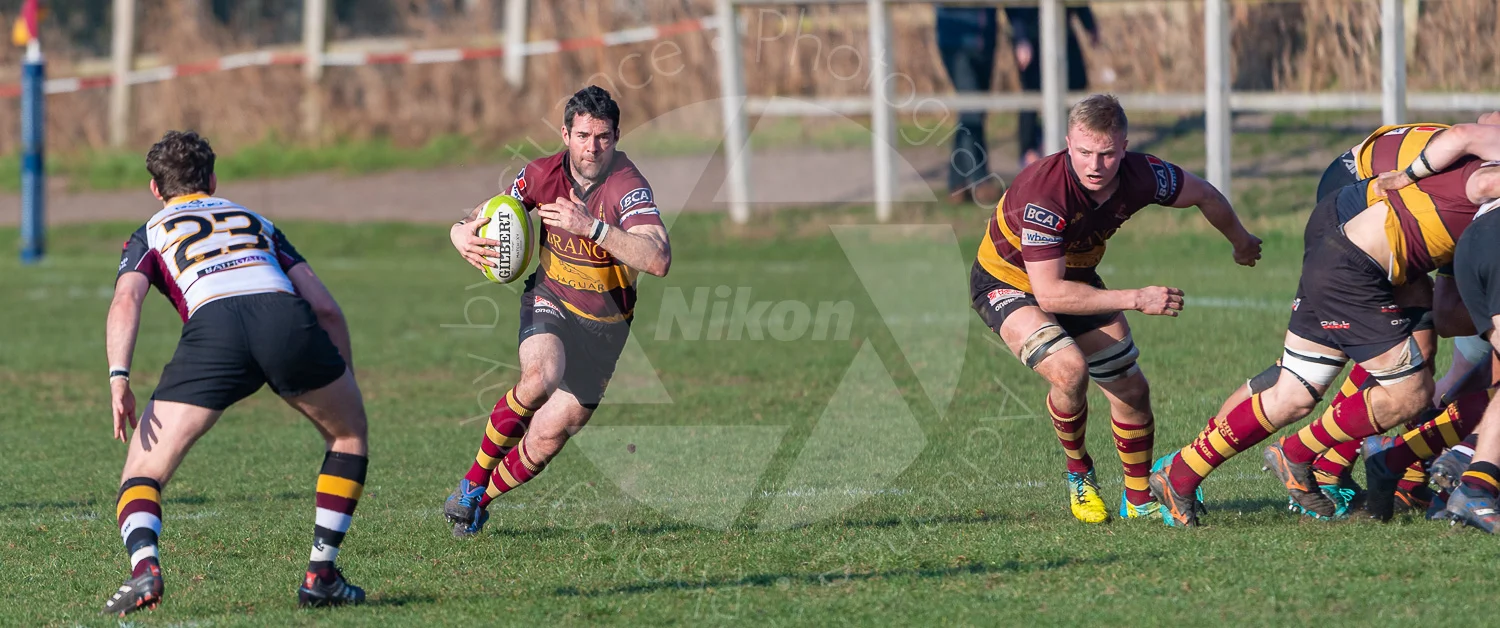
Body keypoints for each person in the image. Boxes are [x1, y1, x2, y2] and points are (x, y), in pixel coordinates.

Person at [1151, 123, 1500, 526]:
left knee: (1294, 392)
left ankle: (1179, 475)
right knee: (1410, 392)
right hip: (1353, 254)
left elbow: (1450, 315)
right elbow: (1479, 168)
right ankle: (1304, 455)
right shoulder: (1481, 174)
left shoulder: (1472, 170)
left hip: (1350, 254)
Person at [101, 131, 369, 615]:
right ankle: (321, 574)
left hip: (215, 331)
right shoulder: (255, 220)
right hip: (285, 319)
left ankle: (145, 568)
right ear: (213, 179)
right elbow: (325, 307)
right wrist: (341, 375)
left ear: (156, 191)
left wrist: (119, 376)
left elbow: (126, 299)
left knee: (142, 471)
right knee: (347, 436)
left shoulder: (152, 230)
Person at [969, 93, 1261, 523]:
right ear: (1068, 142)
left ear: (1123, 148)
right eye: (1084, 152)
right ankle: (1079, 474)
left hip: (1076, 280)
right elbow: (1048, 295)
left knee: (1131, 389)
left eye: (1106, 154)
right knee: (1070, 370)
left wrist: (1241, 240)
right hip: (1007, 282)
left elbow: (1204, 193)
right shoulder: (1044, 194)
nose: (1094, 165)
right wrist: (1136, 298)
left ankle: (1139, 498)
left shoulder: (1143, 175)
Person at [442, 86, 671, 537]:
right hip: (551, 299)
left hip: (606, 328)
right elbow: (489, 211)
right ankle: (471, 482)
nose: (592, 147)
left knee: (549, 435)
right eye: (583, 135)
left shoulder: (627, 186)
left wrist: (592, 227)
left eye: (603, 136)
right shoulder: (542, 174)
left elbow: (658, 258)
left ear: (617, 136)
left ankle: (478, 502)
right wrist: (458, 231)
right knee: (540, 377)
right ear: (565, 134)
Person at [1005, 5, 1097, 168]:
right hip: (1032, 34)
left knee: (1077, 83)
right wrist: (1021, 38)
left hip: (1062, 32)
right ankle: (1029, 149)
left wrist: (1090, 25)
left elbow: (1078, 3)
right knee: (1032, 92)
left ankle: (1069, 142)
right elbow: (1014, 8)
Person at [935, 6, 1002, 205]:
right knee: (972, 110)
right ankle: (980, 180)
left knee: (974, 111)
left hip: (985, 38)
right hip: (956, 41)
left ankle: (956, 183)